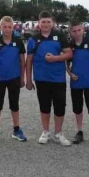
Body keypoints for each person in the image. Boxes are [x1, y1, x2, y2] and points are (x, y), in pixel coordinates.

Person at [26, 10, 73, 146]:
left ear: (52, 23)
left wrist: (55, 58)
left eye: (48, 22)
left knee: (60, 106)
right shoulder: (33, 40)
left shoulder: (60, 36)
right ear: (39, 23)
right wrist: (28, 79)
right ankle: (45, 131)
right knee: (44, 106)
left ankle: (58, 133)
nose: (46, 24)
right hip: (41, 78)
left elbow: (69, 54)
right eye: (43, 22)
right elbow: (29, 61)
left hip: (58, 78)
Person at [0, 16, 27, 142]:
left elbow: (22, 61)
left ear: (13, 28)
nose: (7, 29)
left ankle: (16, 130)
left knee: (14, 104)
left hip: (14, 78)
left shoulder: (18, 42)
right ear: (0, 27)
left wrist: (22, 77)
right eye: (5, 26)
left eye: (10, 27)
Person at [66, 20, 89, 148]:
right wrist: (70, 74)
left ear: (83, 30)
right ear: (70, 32)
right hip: (75, 83)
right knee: (77, 108)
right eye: (74, 31)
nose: (77, 33)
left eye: (79, 30)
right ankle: (79, 131)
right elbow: (66, 64)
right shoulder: (70, 45)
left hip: (88, 82)